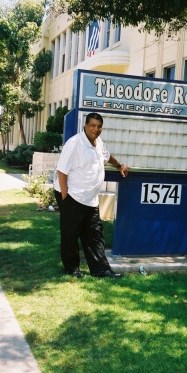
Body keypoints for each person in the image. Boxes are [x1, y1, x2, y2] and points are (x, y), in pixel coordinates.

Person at [54, 112, 129, 278]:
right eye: (93, 125)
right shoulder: (74, 143)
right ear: (85, 126)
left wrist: (119, 166)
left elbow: (108, 157)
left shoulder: (98, 142)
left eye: (99, 126)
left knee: (95, 234)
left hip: (90, 199)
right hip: (72, 195)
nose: (96, 129)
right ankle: (72, 269)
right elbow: (62, 171)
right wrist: (66, 198)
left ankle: (101, 269)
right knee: (70, 234)